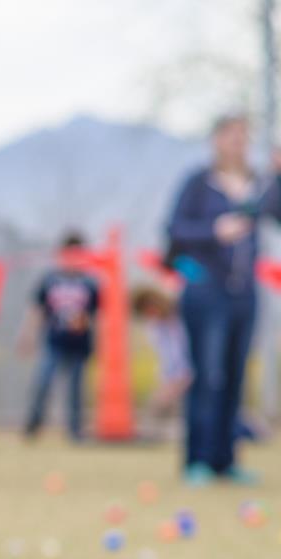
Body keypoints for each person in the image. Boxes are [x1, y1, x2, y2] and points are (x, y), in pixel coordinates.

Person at [165, 112, 281, 484]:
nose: (238, 142)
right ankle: (197, 459)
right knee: (207, 374)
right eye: (231, 135)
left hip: (243, 294)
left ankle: (225, 459)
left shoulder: (258, 185)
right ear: (216, 139)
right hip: (205, 292)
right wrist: (215, 231)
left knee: (234, 375)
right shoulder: (199, 183)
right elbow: (174, 229)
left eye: (243, 136)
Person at [18, 232, 101, 443]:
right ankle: (33, 425)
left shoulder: (91, 282)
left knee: (76, 389)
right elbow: (36, 310)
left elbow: (99, 315)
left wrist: (92, 331)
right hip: (54, 341)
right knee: (44, 382)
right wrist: (27, 335)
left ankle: (75, 430)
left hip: (81, 344)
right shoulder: (50, 279)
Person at [133, 285, 192, 443]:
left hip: (189, 372)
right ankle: (151, 436)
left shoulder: (182, 318)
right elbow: (166, 356)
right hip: (173, 376)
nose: (150, 315)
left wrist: (183, 377)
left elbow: (184, 352)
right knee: (157, 405)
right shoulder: (155, 327)